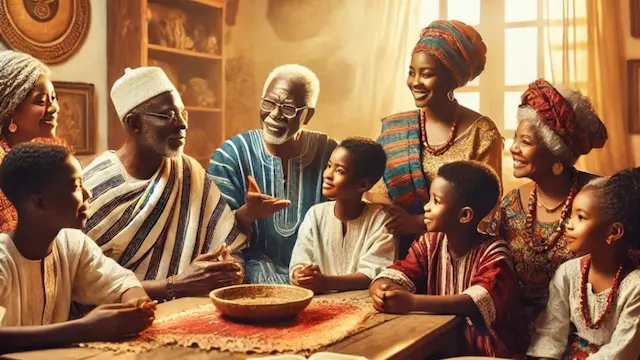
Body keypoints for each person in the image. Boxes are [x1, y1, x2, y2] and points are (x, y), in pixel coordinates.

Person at [82, 67, 246, 301]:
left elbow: (227, 243)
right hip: (118, 320)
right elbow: (84, 284)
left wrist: (225, 267)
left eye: (183, 113)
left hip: (189, 312)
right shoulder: (92, 186)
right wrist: (177, 285)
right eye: (168, 115)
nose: (181, 125)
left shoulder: (188, 171)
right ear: (134, 123)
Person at [0, 143, 156, 354]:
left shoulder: (72, 244)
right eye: (75, 186)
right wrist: (85, 329)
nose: (87, 193)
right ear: (40, 202)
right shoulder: (3, 260)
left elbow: (121, 283)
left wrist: (137, 305)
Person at [370, 20, 503, 258]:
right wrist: (397, 219)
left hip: (456, 253)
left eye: (427, 74)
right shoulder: (395, 129)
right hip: (394, 250)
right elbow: (374, 190)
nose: (415, 82)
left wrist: (419, 222)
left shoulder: (481, 132)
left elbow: (486, 206)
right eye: (412, 72)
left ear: (452, 78)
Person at [369, 161, 527, 358]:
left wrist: (411, 302)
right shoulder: (430, 243)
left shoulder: (495, 251)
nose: (426, 207)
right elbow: (401, 271)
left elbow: (472, 302)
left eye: (436, 201)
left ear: (465, 215)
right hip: (444, 344)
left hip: (488, 353)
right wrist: (382, 289)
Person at [492, 79, 608, 333]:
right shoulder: (510, 204)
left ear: (556, 152)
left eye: (526, 142)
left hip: (584, 330)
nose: (514, 148)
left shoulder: (599, 198)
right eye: (515, 138)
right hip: (517, 330)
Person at [208, 64, 338, 284]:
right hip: (252, 275)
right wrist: (248, 213)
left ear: (307, 115)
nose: (275, 114)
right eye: (268, 103)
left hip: (317, 273)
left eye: (288, 108)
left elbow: (348, 219)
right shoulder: (230, 155)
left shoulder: (330, 152)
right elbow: (213, 232)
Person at [528, 168, 640, 359]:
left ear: (613, 232)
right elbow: (551, 332)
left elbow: (621, 351)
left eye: (580, 217)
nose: (568, 224)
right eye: (570, 215)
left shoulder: (635, 286)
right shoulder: (568, 273)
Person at [290, 137, 395, 293]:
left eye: (339, 170)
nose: (327, 174)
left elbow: (375, 273)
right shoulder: (315, 214)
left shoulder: (380, 219)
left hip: (366, 305)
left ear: (363, 185)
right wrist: (301, 274)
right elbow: (300, 260)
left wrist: (327, 283)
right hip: (319, 305)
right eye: (329, 166)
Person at [0, 50, 69, 233]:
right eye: (41, 101)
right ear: (11, 108)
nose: (53, 108)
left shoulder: (46, 153)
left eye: (53, 98)